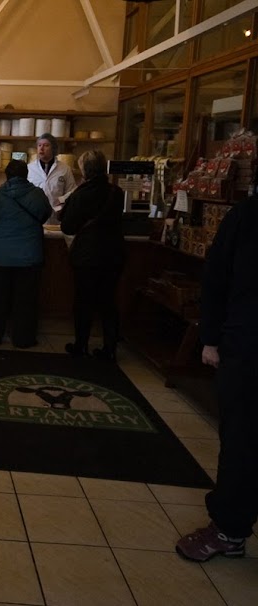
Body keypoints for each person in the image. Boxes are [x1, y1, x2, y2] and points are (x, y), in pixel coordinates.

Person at [176, 194, 258, 562]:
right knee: (242, 442)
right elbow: (217, 277)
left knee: (243, 443)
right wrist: (210, 337)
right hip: (247, 348)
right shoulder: (248, 216)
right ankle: (229, 529)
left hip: (244, 344)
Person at [58, 149, 124, 360]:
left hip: (87, 255)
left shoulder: (81, 194)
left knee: (84, 302)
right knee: (108, 302)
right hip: (113, 254)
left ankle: (81, 345)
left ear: (85, 170)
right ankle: (110, 348)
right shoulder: (116, 192)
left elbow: (67, 226)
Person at [0, 159, 52, 347]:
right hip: (29, 257)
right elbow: (45, 215)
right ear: (26, 175)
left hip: (0, 256)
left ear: (7, 175)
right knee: (25, 301)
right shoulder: (37, 194)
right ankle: (23, 339)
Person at [28, 133, 76, 223]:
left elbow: (72, 191)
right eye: (39, 145)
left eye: (46, 145)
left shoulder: (64, 169)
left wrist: (62, 199)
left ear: (53, 148)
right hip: (34, 218)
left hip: (56, 217)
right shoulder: (29, 169)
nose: (41, 148)